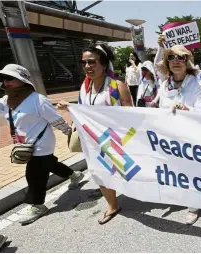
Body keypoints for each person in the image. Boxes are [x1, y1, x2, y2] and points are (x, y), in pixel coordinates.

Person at [0, 64, 84, 225]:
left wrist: (68, 132)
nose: (6, 82)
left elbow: (56, 119)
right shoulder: (6, 100)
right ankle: (74, 175)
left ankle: (37, 204)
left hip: (42, 143)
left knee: (34, 174)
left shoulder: (37, 100)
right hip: (25, 144)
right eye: (4, 79)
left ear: (22, 80)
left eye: (10, 78)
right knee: (49, 164)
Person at [58, 44, 133, 224]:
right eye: (83, 62)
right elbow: (83, 110)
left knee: (128, 172)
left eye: (91, 62)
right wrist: (70, 109)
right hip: (91, 140)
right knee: (98, 172)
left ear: (104, 64)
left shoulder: (117, 86)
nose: (87, 66)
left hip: (114, 140)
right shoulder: (84, 87)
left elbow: (131, 115)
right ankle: (112, 205)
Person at [155, 44, 201, 225]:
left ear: (188, 62)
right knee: (175, 168)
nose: (176, 61)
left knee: (192, 170)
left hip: (191, 136)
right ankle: (179, 195)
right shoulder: (163, 85)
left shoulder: (199, 85)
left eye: (181, 58)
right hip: (170, 136)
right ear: (167, 63)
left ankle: (194, 205)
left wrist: (187, 109)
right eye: (171, 58)